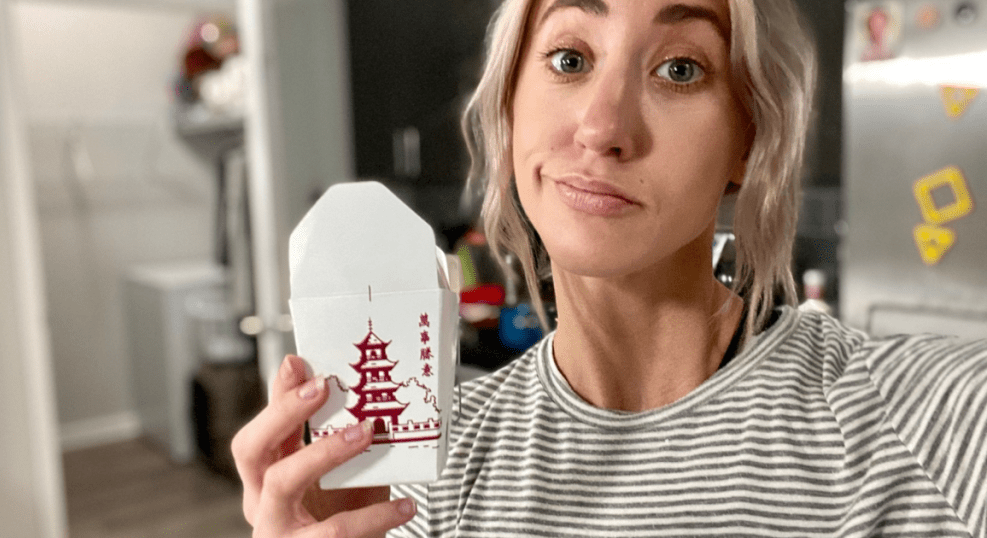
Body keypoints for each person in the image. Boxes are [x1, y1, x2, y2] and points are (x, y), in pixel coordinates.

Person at [231, 0, 987, 536]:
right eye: (569, 58)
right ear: (509, 108)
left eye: (681, 69)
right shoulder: (431, 476)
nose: (603, 128)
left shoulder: (929, 419)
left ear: (746, 143)